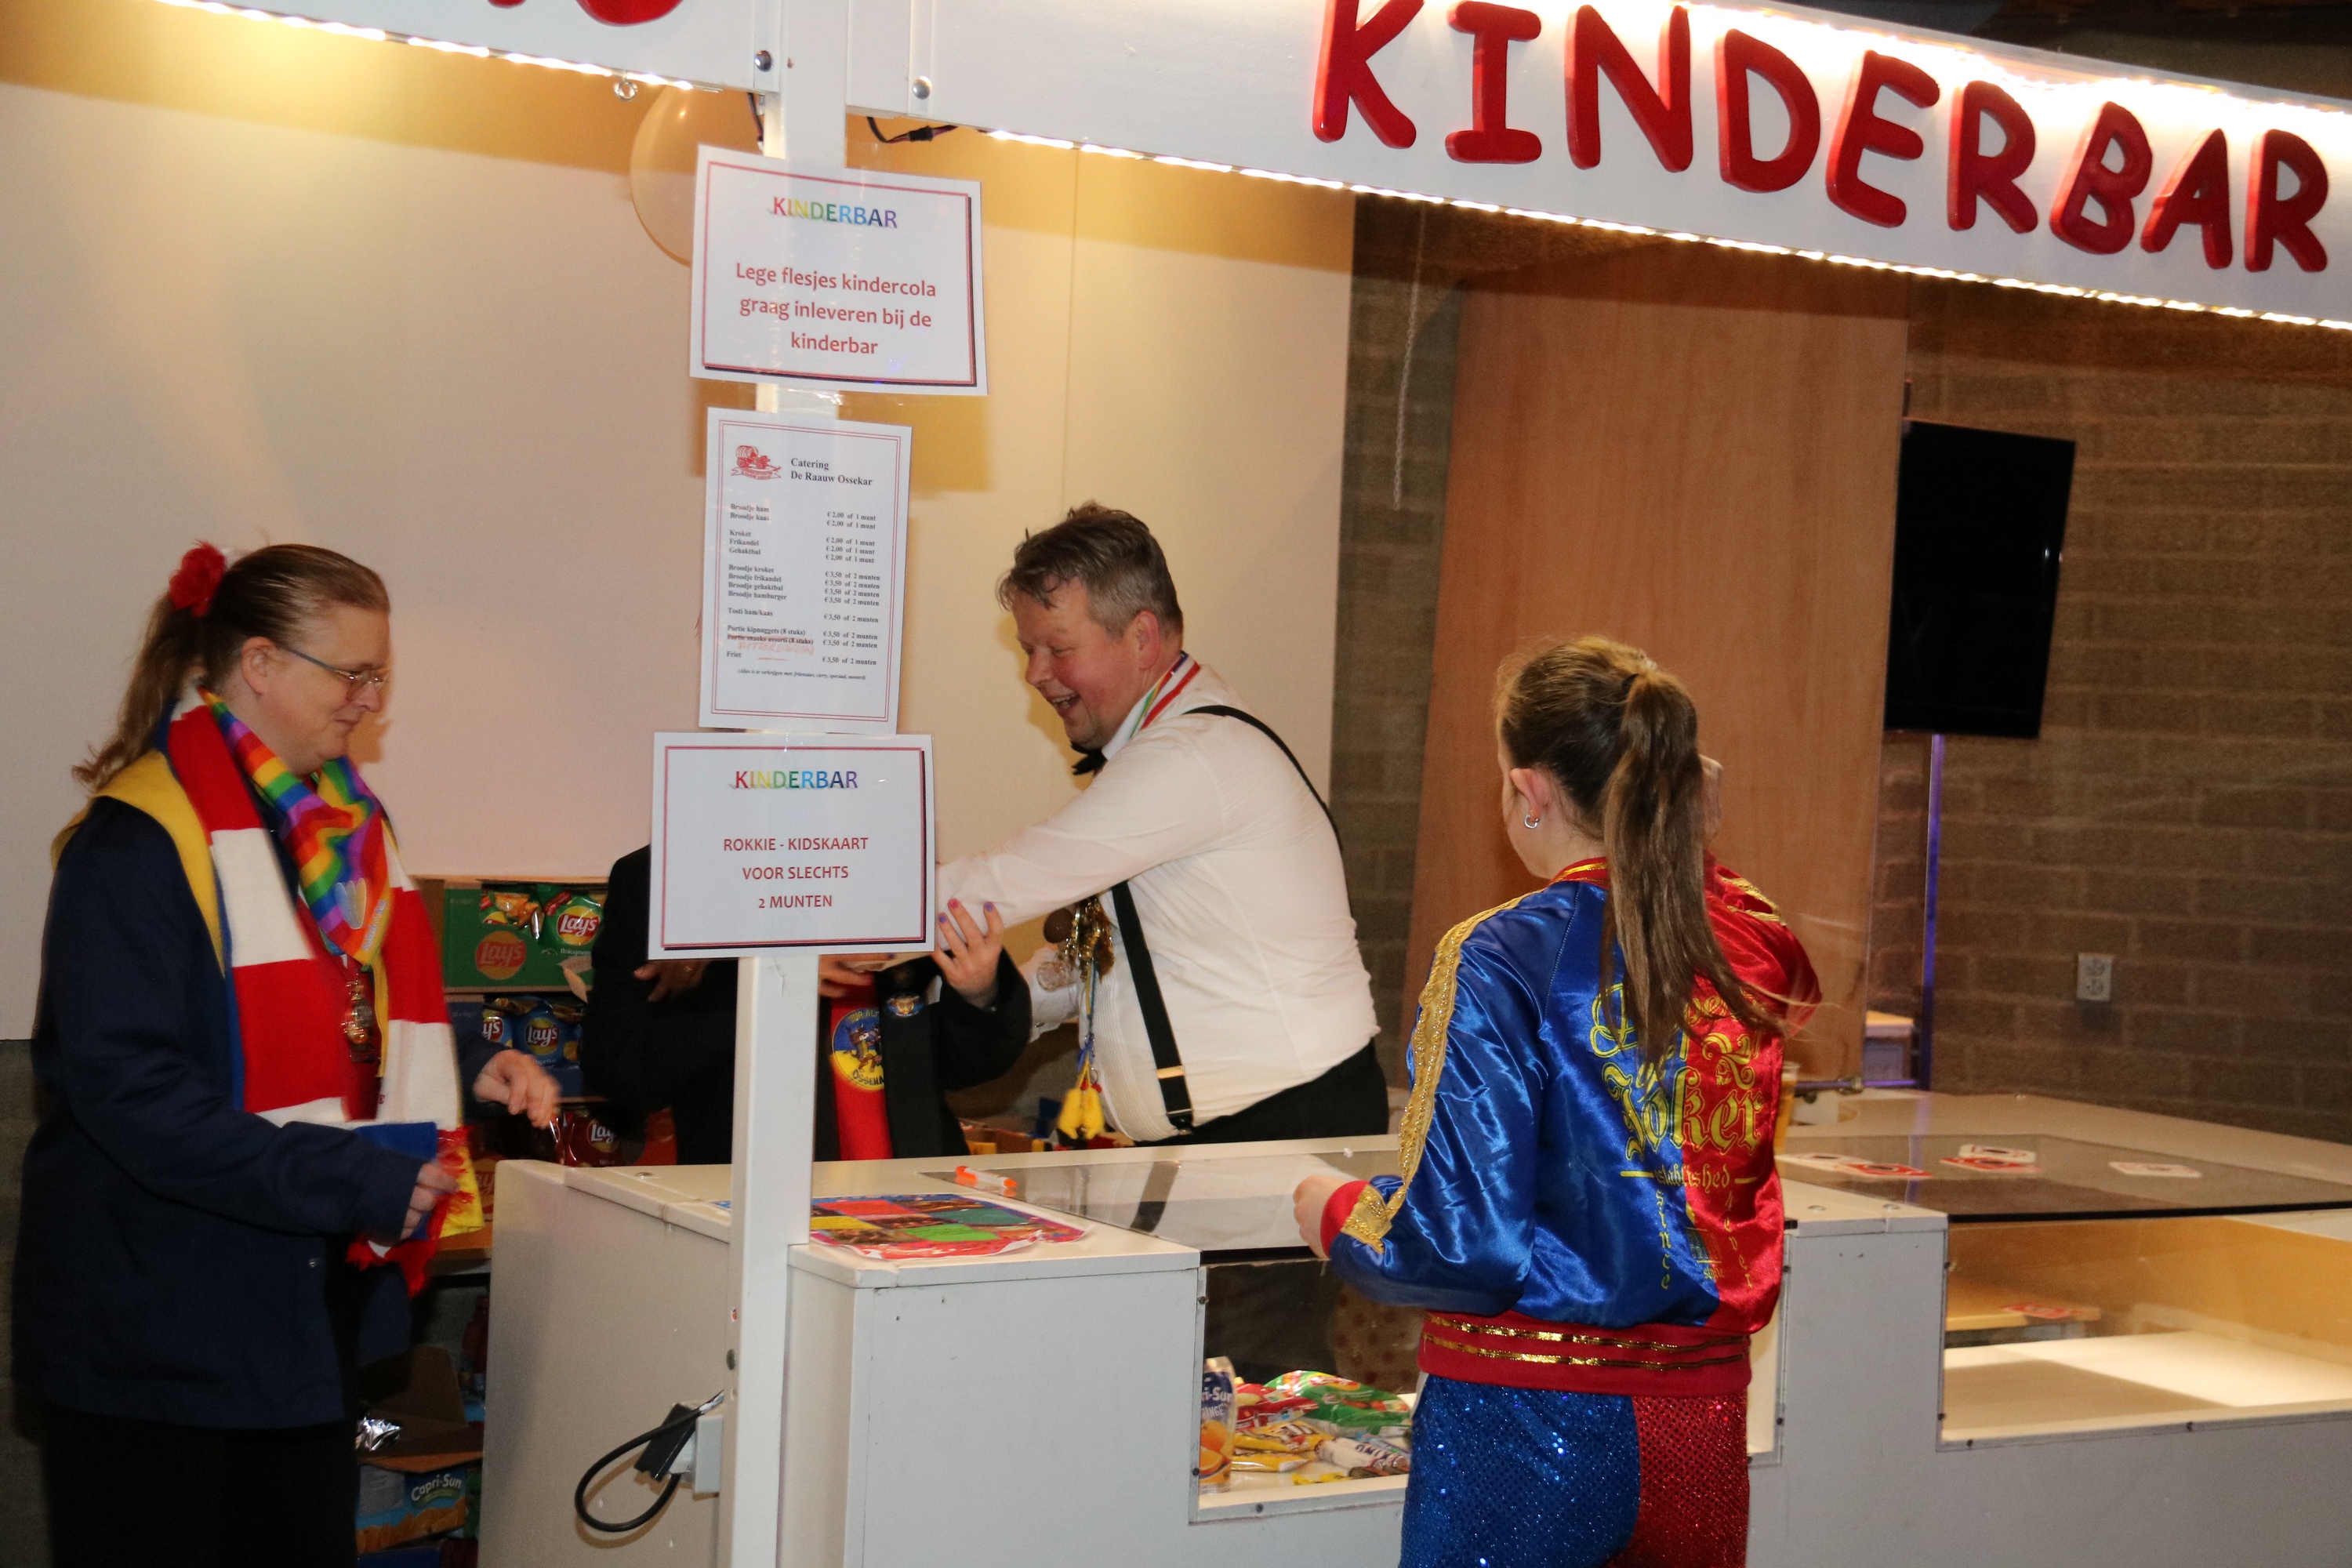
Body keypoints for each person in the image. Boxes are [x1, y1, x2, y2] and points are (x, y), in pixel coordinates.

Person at [16, 543, 558, 1568]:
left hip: (307, 1314)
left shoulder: (341, 824)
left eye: (380, 675)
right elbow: (128, 1092)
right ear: (258, 663)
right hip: (162, 1329)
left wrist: (468, 1060)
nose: (371, 700)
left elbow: (344, 1008)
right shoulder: (137, 839)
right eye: (350, 673)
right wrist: (349, 1176)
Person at [1292, 635, 1819, 1568]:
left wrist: (1336, 1213)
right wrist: (1688, 830)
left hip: (1525, 1413)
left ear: (1528, 790)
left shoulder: (1502, 953)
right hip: (1698, 1417)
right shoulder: (1744, 939)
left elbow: (1464, 1242)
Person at [938, 504, 1381, 1145]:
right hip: (1244, 1134)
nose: (1035, 673)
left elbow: (1011, 876)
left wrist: (834, 921)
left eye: (1058, 649)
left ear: (1142, 638)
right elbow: (1120, 956)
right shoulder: (1165, 748)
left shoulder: (1192, 755)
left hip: (1280, 1128)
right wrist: (989, 996)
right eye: (1028, 650)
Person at [581, 848, 1029, 1163]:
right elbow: (620, 1069)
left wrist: (978, 994)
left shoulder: (901, 864)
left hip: (915, 1204)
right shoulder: (669, 876)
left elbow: (966, 1066)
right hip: (753, 1205)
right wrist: (773, 979)